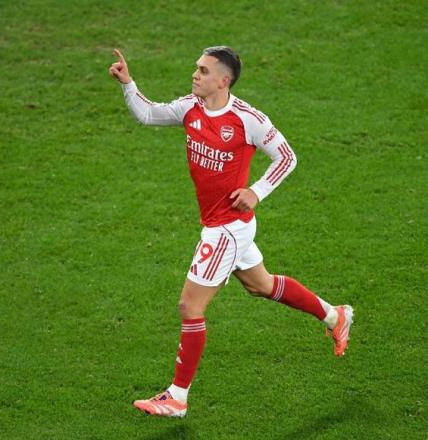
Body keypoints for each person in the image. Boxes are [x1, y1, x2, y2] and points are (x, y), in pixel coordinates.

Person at [108, 46, 353, 418]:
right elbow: (147, 114)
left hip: (227, 228)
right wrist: (128, 83)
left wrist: (257, 191)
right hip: (222, 224)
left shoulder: (247, 119)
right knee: (261, 285)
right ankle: (335, 316)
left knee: (190, 306)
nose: (195, 74)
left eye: (204, 71)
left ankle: (177, 397)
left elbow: (287, 157)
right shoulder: (190, 107)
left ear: (224, 80)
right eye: (197, 68)